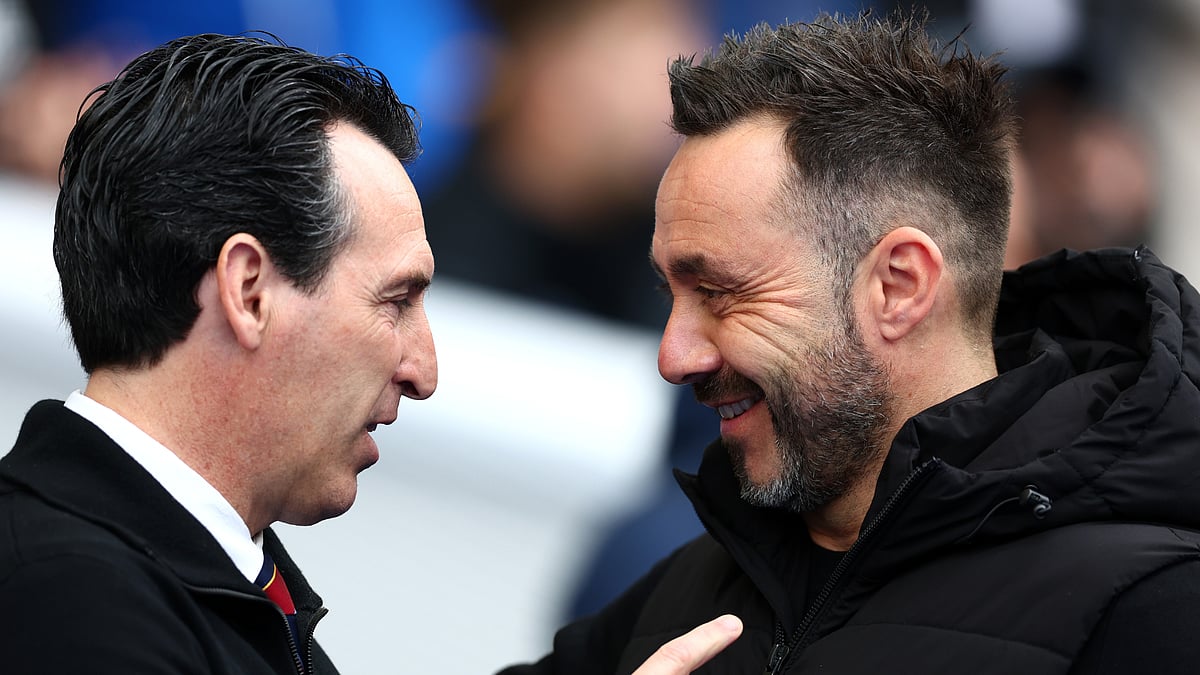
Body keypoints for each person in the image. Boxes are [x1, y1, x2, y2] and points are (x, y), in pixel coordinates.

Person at [0, 33, 740, 674]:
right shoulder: (71, 600)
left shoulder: (171, 576)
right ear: (249, 289)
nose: (424, 370)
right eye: (394, 301)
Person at [498, 11, 1200, 675]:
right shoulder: (678, 592)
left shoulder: (1149, 614)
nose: (674, 356)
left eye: (719, 292)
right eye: (669, 295)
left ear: (899, 285)